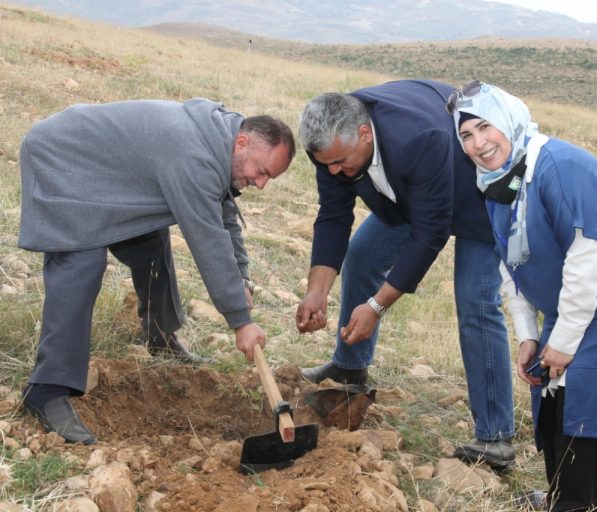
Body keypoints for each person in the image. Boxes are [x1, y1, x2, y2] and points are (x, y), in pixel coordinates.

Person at [449, 81, 597, 511]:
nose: (479, 143)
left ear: (510, 121)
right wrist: (529, 335)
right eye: (466, 135)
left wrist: (565, 339)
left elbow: (586, 255)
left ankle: (573, 504)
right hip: (582, 288)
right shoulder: (496, 182)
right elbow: (510, 264)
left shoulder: (559, 166)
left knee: (584, 379)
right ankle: (562, 495)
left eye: (485, 127)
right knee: (549, 379)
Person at [18, 98, 295, 444]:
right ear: (243, 142)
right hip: (61, 157)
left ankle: (160, 338)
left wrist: (242, 278)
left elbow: (224, 212)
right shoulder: (194, 156)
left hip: (106, 171)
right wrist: (240, 320)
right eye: (262, 171)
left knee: (150, 243)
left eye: (269, 177)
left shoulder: (223, 140)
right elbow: (208, 240)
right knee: (81, 261)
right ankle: (47, 389)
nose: (262, 183)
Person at [295, 80, 517, 469]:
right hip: (411, 192)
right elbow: (332, 216)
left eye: (340, 162)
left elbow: (430, 234)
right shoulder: (331, 143)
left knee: (475, 301)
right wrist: (317, 291)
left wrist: (377, 306)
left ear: (365, 135)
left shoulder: (418, 138)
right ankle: (349, 368)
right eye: (325, 163)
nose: (332, 170)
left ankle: (495, 437)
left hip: (479, 193)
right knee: (362, 256)